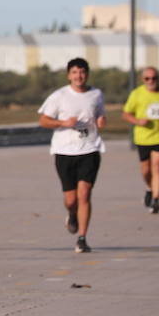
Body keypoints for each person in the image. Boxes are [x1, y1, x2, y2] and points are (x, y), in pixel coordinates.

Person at [39, 57, 106, 253]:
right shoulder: (59, 96)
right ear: (69, 75)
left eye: (82, 72)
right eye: (75, 72)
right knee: (71, 200)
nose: (79, 76)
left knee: (84, 194)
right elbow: (43, 120)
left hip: (90, 149)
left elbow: (100, 114)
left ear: (87, 74)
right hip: (64, 151)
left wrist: (101, 121)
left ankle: (82, 238)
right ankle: (72, 214)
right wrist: (63, 123)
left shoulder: (96, 94)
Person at [124, 67, 159, 214]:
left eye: (154, 78)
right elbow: (126, 114)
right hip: (143, 138)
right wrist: (137, 121)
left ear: (158, 79)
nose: (151, 81)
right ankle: (149, 188)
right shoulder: (137, 94)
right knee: (146, 170)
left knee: (157, 167)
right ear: (143, 80)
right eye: (147, 78)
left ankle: (156, 200)